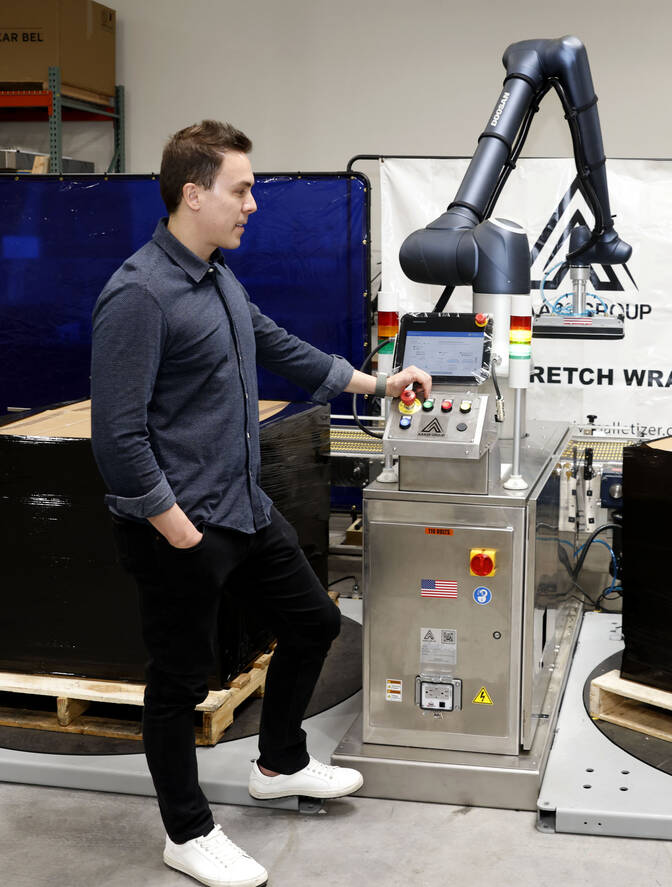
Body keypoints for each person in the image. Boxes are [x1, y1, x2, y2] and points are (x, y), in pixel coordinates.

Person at [90, 120, 431, 887]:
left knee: (313, 622)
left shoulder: (216, 277)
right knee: (180, 683)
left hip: (242, 507)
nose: (252, 205)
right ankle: (188, 833)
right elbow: (116, 436)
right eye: (240, 190)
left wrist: (379, 384)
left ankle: (279, 763)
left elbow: (277, 344)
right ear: (193, 194)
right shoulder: (139, 294)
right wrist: (178, 530)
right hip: (181, 526)